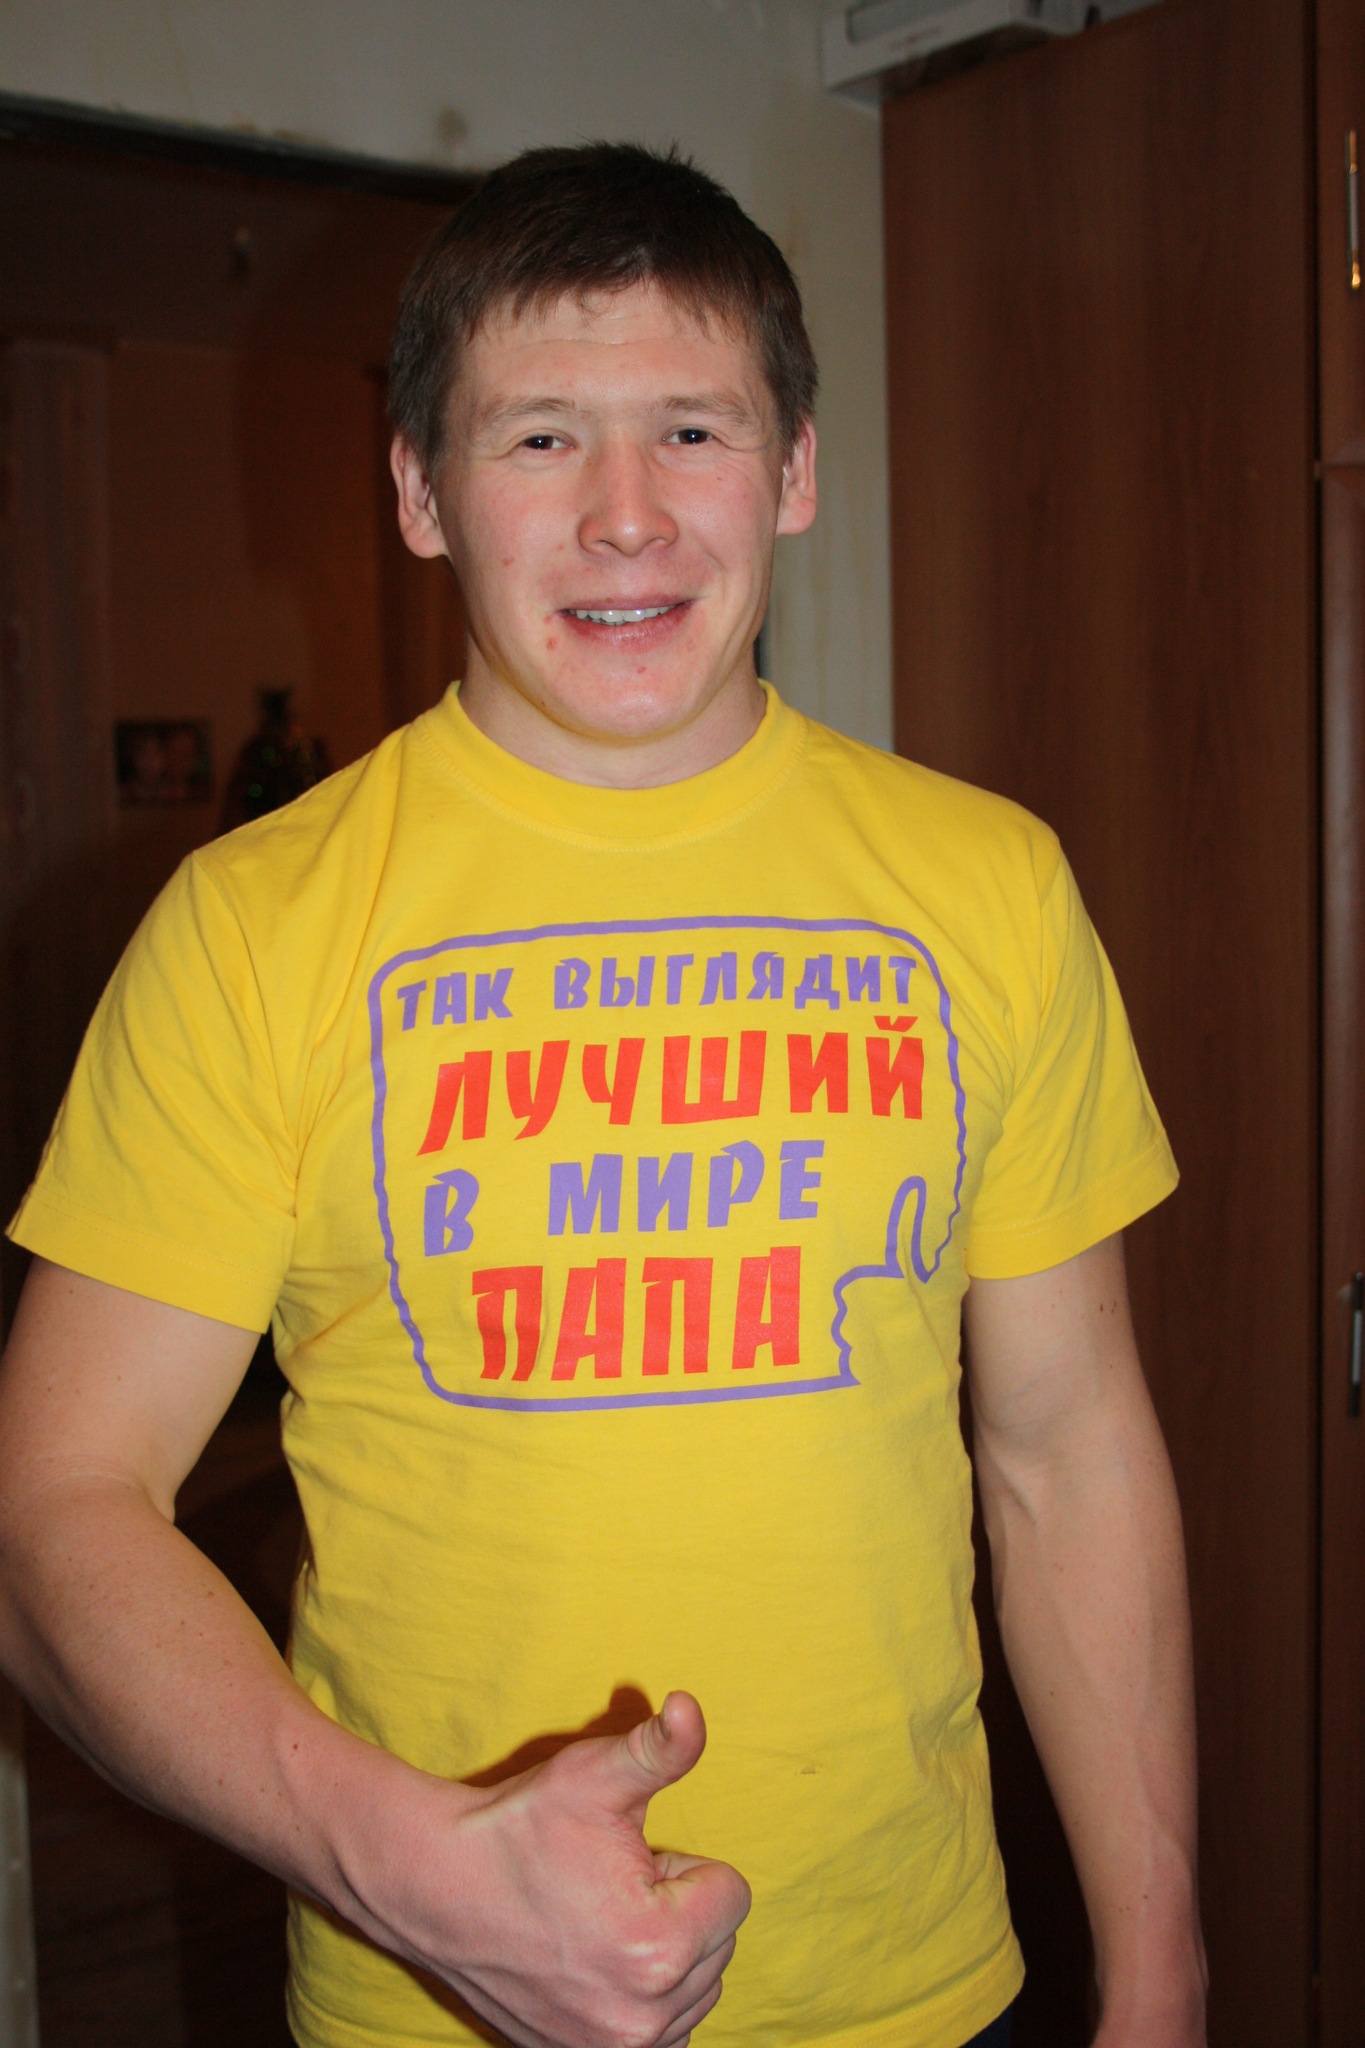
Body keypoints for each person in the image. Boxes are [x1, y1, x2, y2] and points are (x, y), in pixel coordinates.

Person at [0, 144, 1207, 2048]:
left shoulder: (987, 891)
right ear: (421, 492)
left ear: (793, 469)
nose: (626, 517)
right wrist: (407, 1870)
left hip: (917, 1992)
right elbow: (57, 1510)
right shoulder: (252, 928)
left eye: (693, 431)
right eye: (542, 436)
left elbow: (1065, 1450)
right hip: (428, 2008)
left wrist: (1160, 1967)